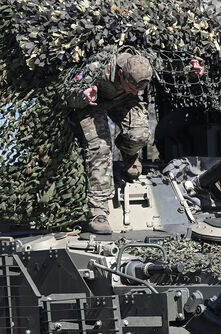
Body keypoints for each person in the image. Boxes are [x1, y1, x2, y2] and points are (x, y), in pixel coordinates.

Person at [68, 49, 204, 234]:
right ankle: (98, 212)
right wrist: (82, 96)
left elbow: (169, 66)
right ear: (121, 73)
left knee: (140, 134)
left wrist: (190, 68)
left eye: (138, 90)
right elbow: (69, 94)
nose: (135, 91)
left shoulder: (146, 61)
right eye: (132, 87)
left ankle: (129, 154)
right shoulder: (98, 66)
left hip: (122, 101)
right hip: (92, 102)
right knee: (100, 147)